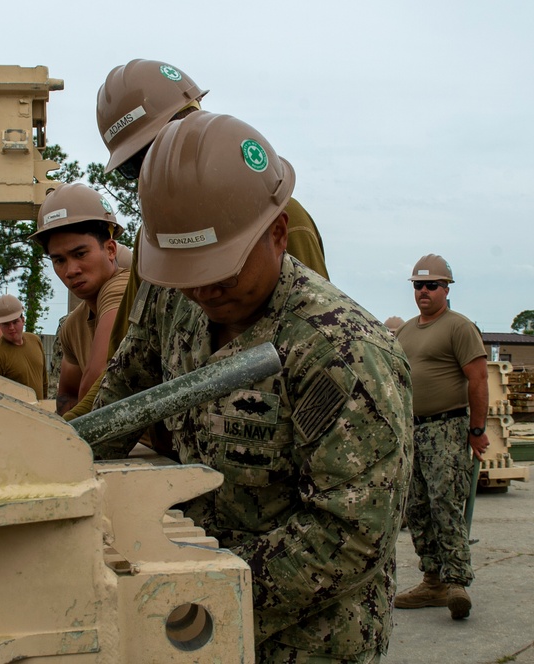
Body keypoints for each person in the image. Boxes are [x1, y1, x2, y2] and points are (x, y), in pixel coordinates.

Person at [92, 112, 412, 661]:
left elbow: (352, 533)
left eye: (223, 271)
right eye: (188, 275)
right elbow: (125, 389)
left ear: (278, 235)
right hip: (201, 619)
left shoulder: (341, 351)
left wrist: (204, 594)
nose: (204, 292)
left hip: (307, 639)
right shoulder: (179, 294)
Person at [63, 59, 329, 424]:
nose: (159, 166)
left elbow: (318, 351)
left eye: (161, 147)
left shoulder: (277, 220)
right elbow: (127, 366)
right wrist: (69, 430)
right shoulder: (151, 243)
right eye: (137, 166)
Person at [394, 254, 490, 621]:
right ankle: (432, 580)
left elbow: (478, 379)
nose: (424, 291)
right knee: (417, 508)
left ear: (446, 289)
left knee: (445, 504)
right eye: (418, 285)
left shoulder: (458, 327)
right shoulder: (404, 331)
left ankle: (457, 583)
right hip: (412, 430)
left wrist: (477, 431)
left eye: (431, 285)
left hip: (446, 428)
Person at [29, 183, 129, 415]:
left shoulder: (122, 288)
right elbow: (68, 395)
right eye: (59, 260)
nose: (70, 270)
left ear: (111, 250)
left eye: (80, 254)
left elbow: (96, 382)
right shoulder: (72, 326)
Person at [0, 294, 47, 399]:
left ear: (23, 320)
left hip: (38, 412)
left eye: (15, 322)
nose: (11, 328)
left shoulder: (35, 341)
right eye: (6, 324)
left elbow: (44, 382)